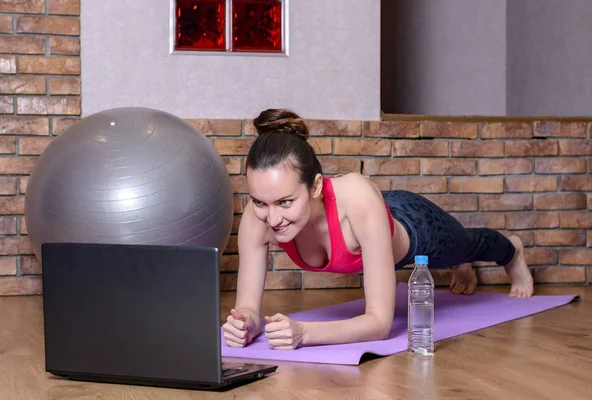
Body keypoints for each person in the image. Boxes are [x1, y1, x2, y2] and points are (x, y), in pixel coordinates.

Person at [222, 109, 534, 351]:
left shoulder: (355, 197)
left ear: (316, 186)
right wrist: (245, 323)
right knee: (459, 252)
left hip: (412, 227)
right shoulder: (257, 217)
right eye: (260, 202)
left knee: (468, 244)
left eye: (286, 202)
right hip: (372, 222)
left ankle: (512, 250)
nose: (272, 218)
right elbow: (247, 306)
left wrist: (305, 332)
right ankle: (461, 264)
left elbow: (380, 323)